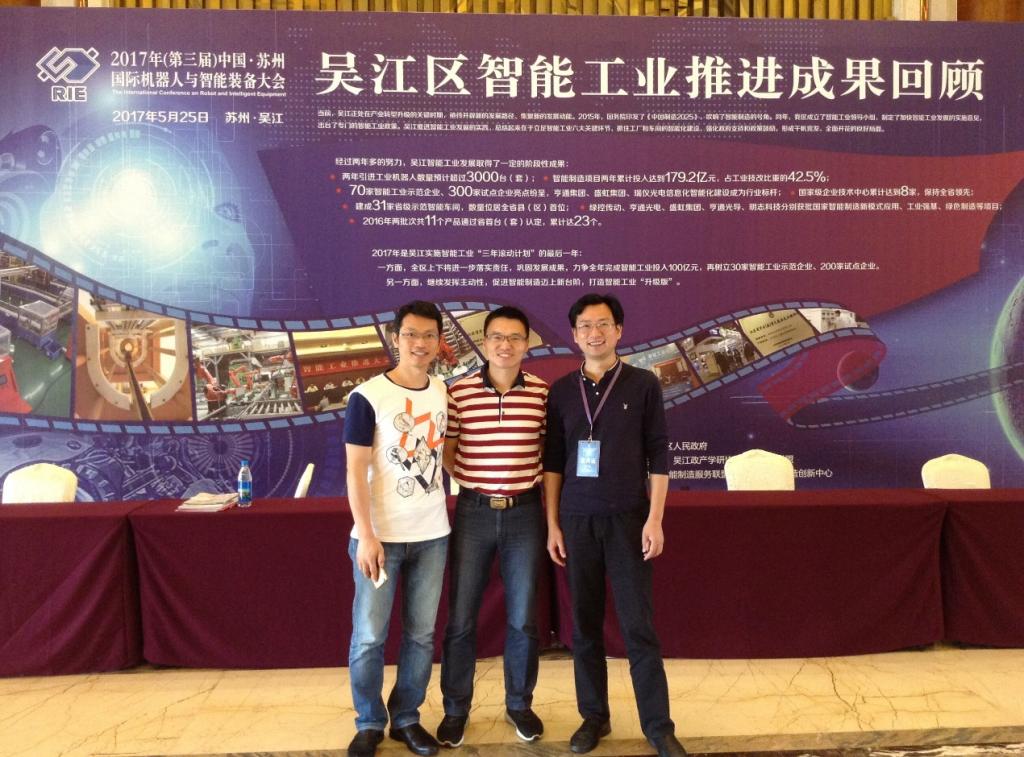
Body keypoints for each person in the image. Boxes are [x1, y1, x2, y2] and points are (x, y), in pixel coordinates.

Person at [543, 293, 687, 757]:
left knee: (638, 625)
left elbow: (658, 453)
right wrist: (553, 525)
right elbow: (553, 463)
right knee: (584, 626)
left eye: (603, 324)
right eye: (585, 326)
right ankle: (594, 718)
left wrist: (655, 518)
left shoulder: (643, 383)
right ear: (574, 334)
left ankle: (658, 726)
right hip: (576, 520)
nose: (594, 333)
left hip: (628, 519)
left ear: (619, 330)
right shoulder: (561, 391)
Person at [436, 306, 549, 748]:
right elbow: (449, 451)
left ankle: (519, 704)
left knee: (523, 618)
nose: (506, 345)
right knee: (462, 618)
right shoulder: (458, 392)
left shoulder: (541, 393)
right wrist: (475, 481)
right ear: (484, 343)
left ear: (527, 344)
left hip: (525, 513)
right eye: (497, 337)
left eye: (515, 337)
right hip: (474, 512)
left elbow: (547, 453)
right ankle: (455, 710)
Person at [344, 300, 450, 757]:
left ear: (438, 342)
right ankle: (369, 721)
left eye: (428, 335)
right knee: (370, 636)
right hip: (380, 538)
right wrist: (366, 535)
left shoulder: (441, 390)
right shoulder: (367, 396)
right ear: (395, 338)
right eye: (411, 334)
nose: (419, 343)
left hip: (432, 535)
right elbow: (354, 471)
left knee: (421, 636)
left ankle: (407, 718)